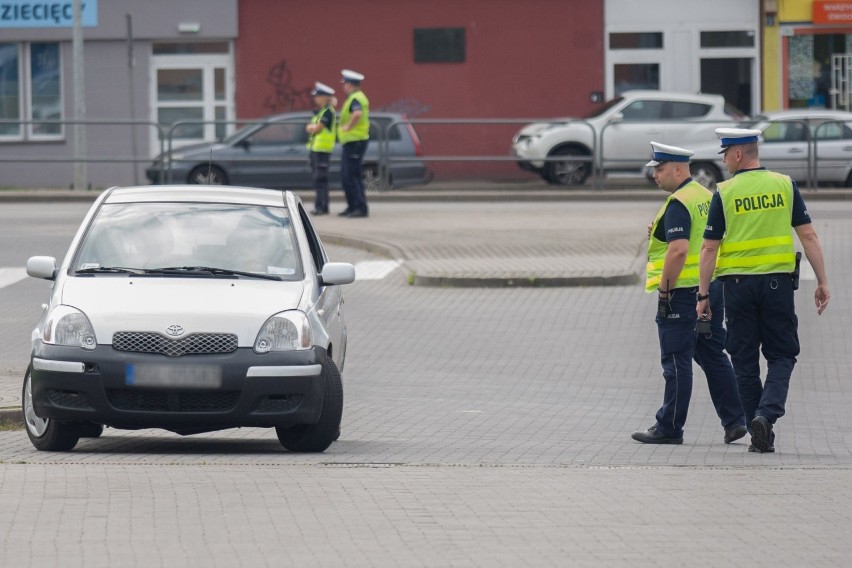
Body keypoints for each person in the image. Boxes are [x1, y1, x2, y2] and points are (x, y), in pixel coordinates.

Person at [696, 128, 830, 453]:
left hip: (737, 289)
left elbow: (709, 248)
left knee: (743, 361)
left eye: (725, 153)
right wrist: (823, 281)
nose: (724, 160)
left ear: (738, 154)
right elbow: (808, 235)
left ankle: (760, 425)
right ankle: (765, 418)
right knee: (783, 354)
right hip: (777, 286)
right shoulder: (784, 185)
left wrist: (702, 296)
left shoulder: (724, 192)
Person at [632, 142, 747, 446]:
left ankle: (669, 427)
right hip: (710, 291)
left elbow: (679, 249)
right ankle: (735, 421)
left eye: (659, 168)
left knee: (675, 359)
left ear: (678, 169)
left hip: (682, 294)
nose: (655, 174)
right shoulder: (707, 196)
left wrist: (665, 292)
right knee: (711, 353)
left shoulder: (679, 202)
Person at [337, 69, 370, 218]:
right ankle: (352, 206)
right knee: (347, 176)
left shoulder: (356, 98)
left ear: (350, 85)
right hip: (351, 142)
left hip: (355, 141)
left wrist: (348, 127)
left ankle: (360, 208)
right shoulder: (355, 97)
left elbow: (357, 113)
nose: (343, 86)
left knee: (352, 176)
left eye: (345, 84)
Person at [305, 81, 337, 215]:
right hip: (316, 149)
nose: (315, 98)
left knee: (320, 180)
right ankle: (321, 206)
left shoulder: (327, 112)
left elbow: (317, 128)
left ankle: (321, 207)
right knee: (318, 179)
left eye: (317, 96)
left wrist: (311, 128)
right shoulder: (323, 111)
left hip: (322, 150)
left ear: (324, 97)